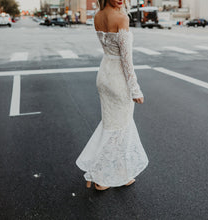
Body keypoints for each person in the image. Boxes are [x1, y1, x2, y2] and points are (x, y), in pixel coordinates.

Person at [76, 0, 149, 191]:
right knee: (119, 128)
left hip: (104, 75)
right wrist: (135, 89)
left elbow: (109, 50)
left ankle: (120, 174)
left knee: (112, 126)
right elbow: (127, 60)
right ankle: (99, 175)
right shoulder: (121, 18)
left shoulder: (97, 16)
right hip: (118, 80)